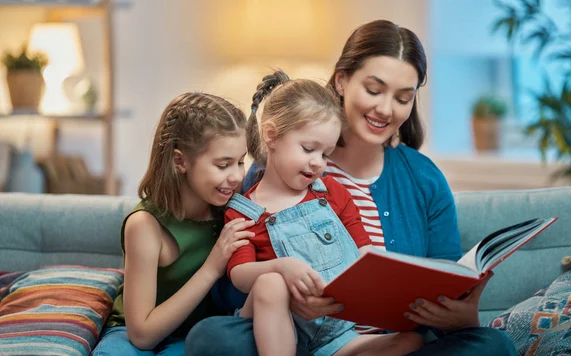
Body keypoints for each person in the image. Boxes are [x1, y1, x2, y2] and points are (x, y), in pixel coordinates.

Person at [185, 20, 517, 356]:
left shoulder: (424, 178)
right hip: (292, 338)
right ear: (341, 81)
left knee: (493, 345)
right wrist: (287, 296)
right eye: (374, 90)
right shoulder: (265, 175)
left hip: (382, 343)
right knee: (211, 338)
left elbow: (444, 278)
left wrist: (461, 316)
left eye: (403, 98)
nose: (385, 109)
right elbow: (231, 287)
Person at [223, 70, 424, 356]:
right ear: (271, 136)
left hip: (339, 335)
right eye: (308, 149)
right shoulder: (244, 211)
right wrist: (281, 267)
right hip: (281, 330)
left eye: (326, 154)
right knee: (270, 282)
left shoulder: (331, 191)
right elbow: (239, 274)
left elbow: (365, 250)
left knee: (411, 341)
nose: (318, 162)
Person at [92, 92, 256, 355]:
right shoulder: (145, 225)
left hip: (198, 334)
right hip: (135, 336)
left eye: (240, 162)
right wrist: (212, 267)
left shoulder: (233, 208)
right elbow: (142, 335)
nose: (236, 176)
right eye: (223, 165)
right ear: (180, 161)